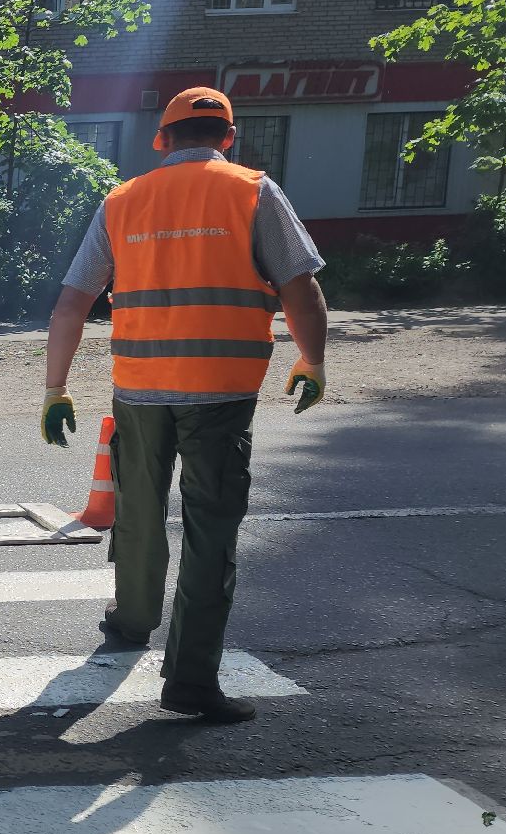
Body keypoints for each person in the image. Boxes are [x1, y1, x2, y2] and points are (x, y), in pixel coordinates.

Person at [44, 87, 330, 723]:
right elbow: (299, 285)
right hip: (222, 391)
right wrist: (310, 359)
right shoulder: (253, 191)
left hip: (140, 389)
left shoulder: (122, 201)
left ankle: (133, 619)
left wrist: (55, 388)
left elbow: (71, 304)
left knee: (139, 511)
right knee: (210, 527)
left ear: (161, 140)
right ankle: (191, 681)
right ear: (228, 137)